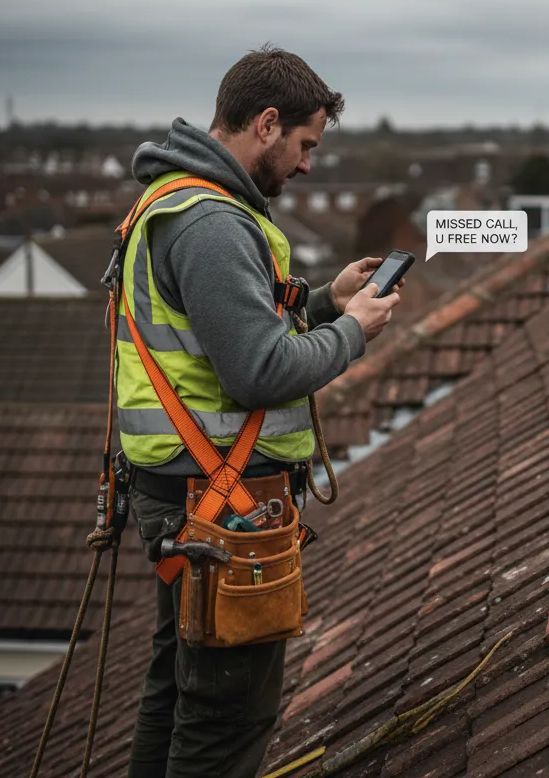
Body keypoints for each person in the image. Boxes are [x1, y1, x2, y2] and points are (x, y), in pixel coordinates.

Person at [122, 46, 399, 778]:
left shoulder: (181, 200)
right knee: (226, 718)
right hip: (220, 504)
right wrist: (352, 333)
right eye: (305, 145)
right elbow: (258, 370)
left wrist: (320, 303)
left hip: (189, 493)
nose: (308, 164)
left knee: (176, 694)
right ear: (267, 124)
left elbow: (227, 334)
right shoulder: (211, 223)